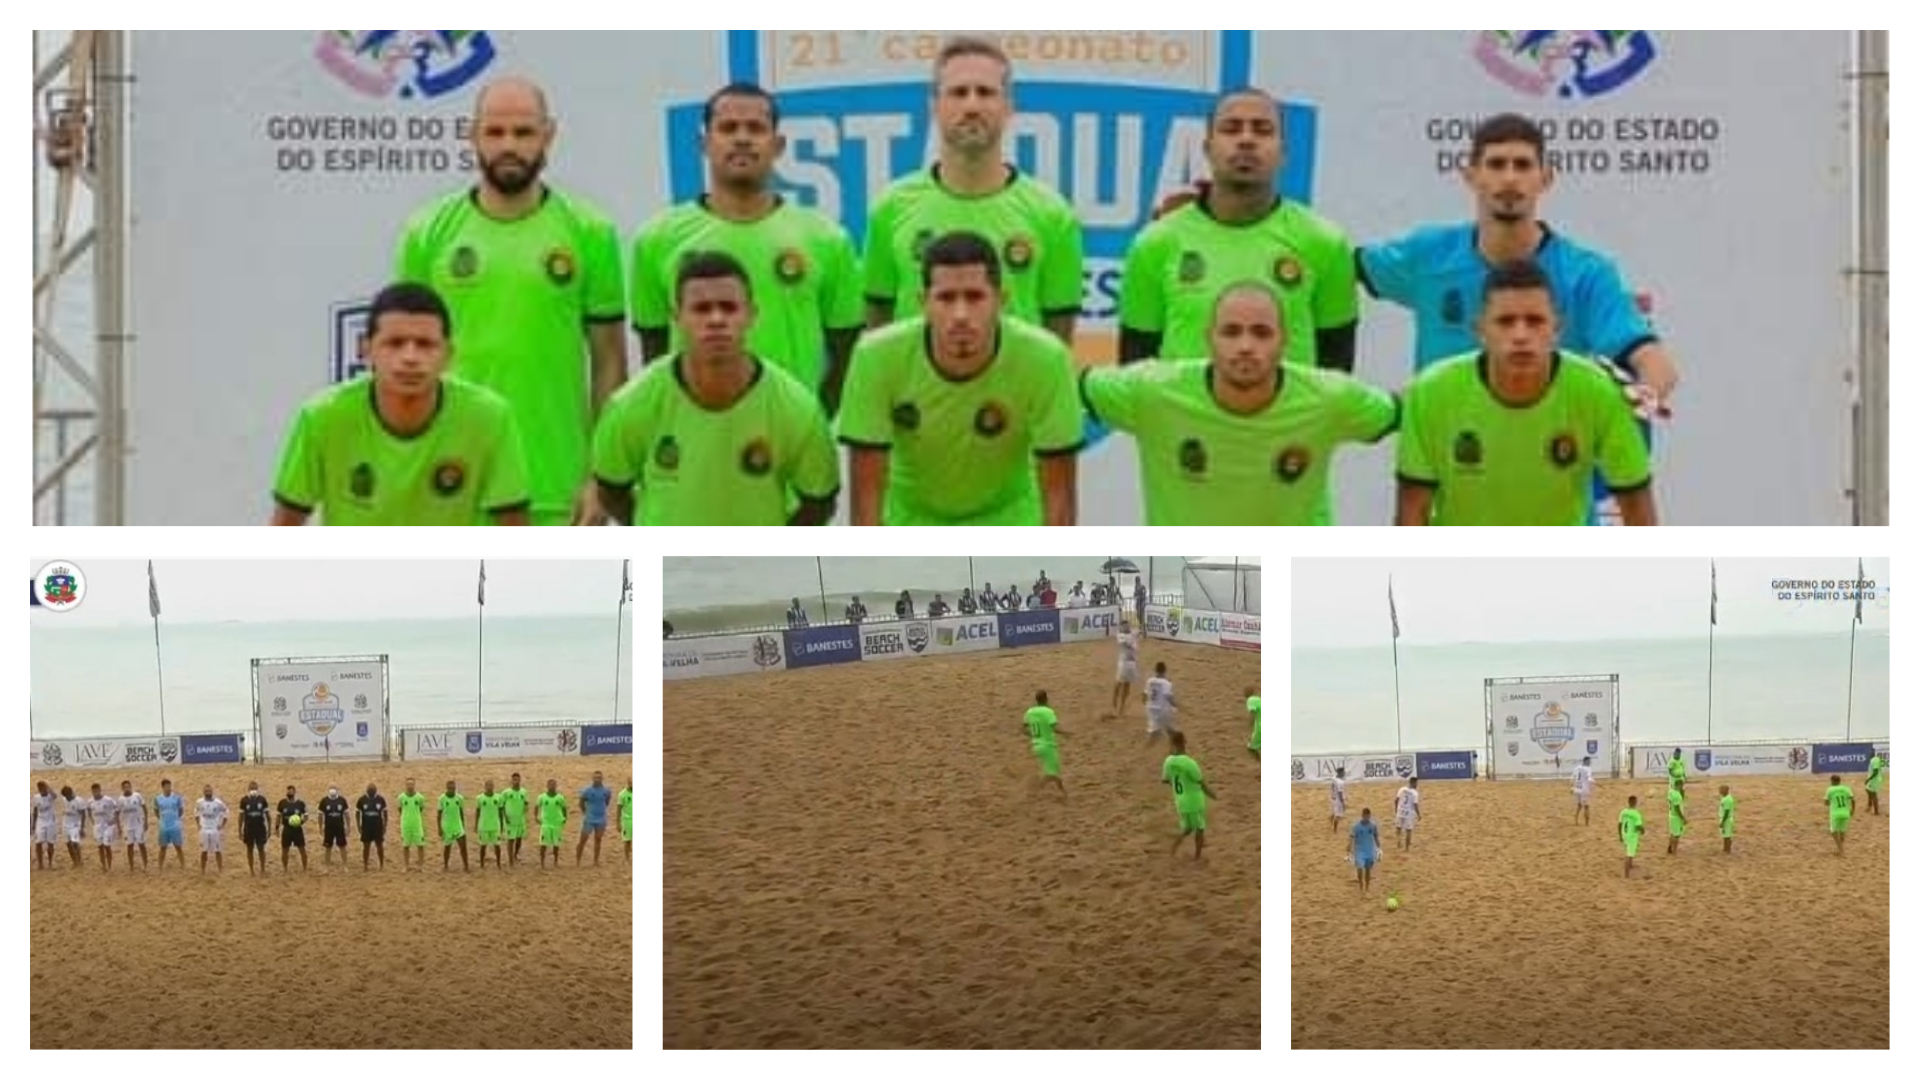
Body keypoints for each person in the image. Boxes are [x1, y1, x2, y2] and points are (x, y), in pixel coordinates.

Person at [1359, 112, 1680, 524]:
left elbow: (1656, 365)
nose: (1509, 179)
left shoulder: (1585, 274)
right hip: (1456, 499)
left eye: (1523, 165)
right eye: (1496, 165)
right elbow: (1336, 264)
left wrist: (1639, 399)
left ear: (1546, 178)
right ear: (1469, 175)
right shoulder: (1428, 255)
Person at [394, 76, 628, 526]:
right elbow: (403, 364)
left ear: (548, 135)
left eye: (523, 133)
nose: (509, 145)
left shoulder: (591, 232)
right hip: (450, 480)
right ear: (472, 135)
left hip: (555, 484)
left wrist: (602, 477)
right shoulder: (426, 233)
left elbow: (610, 364)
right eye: (495, 132)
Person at [631, 82, 862, 413]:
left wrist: (807, 419)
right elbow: (654, 355)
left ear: (778, 145)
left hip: (794, 442)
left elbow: (845, 357)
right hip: (694, 439)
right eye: (728, 128)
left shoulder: (827, 239)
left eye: (755, 128)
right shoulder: (657, 240)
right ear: (704, 143)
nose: (742, 138)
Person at [1083, 282, 1396, 524]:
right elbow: (1067, 386)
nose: (1245, 346)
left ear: (1284, 341)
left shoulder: (1330, 399)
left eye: (1261, 333)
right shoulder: (1152, 391)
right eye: (1231, 332)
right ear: (1209, 338)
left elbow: (1407, 410)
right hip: (1183, 585)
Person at [839, 231, 1082, 526]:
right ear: (923, 302)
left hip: (1010, 520)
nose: (961, 315)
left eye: (975, 297)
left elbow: (1059, 498)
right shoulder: (875, 357)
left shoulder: (1046, 359)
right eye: (946, 298)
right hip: (909, 520)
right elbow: (866, 496)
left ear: (1001, 300)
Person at [1395, 260, 1656, 526]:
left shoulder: (1599, 392)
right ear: (1480, 331)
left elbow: (1638, 511)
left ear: (1557, 329)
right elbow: (1412, 514)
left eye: (1535, 321)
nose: (1520, 335)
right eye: (1505, 322)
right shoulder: (1430, 393)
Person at [593, 251, 839, 526]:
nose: (716, 319)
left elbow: (820, 503)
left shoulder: (797, 409)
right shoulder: (630, 405)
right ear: (676, 317)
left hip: (754, 568)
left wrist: (771, 557)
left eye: (728, 307)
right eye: (702, 309)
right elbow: (610, 488)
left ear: (751, 315)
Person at [863, 36, 1082, 345]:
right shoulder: (890, 207)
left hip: (1013, 393)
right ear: (934, 107)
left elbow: (1058, 340)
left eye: (985, 92)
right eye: (958, 92)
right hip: (916, 392)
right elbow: (877, 330)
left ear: (1008, 106)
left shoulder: (1052, 214)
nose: (972, 105)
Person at [1122, 88, 1357, 371]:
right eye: (1231, 129)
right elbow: (1134, 375)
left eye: (1262, 130)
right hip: (1184, 416)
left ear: (1283, 151)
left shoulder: (1325, 243)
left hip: (1288, 417)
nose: (1246, 140)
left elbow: (1338, 377)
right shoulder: (1155, 244)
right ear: (1208, 148)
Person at [269, 281, 533, 525]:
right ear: (366, 349)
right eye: (395, 343)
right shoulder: (322, 417)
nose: (410, 357)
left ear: (448, 355)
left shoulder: (490, 418)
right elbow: (283, 529)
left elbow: (515, 537)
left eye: (425, 344)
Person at [1161, 730, 1218, 861]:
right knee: (1199, 829)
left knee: (1188, 828)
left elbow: (1165, 780)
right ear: (1184, 743)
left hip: (1180, 800)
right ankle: (1197, 857)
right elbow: (1202, 783)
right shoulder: (1190, 763)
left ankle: (1174, 848)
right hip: (1194, 801)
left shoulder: (1168, 761)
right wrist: (1213, 795)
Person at [1023, 690, 1067, 799]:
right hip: (1048, 746)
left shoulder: (1029, 712)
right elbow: (1054, 728)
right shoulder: (1048, 712)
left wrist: (1033, 735)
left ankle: (1062, 792)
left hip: (1035, 745)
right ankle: (1036, 790)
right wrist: (1066, 734)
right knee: (1052, 774)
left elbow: (1023, 728)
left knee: (1051, 771)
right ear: (1046, 699)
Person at [577, 771, 613, 867]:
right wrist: (585, 812)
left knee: (598, 839)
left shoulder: (606, 791)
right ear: (592, 779)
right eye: (595, 778)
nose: (597, 779)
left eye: (599, 778)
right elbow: (581, 803)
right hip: (590, 817)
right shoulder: (587, 790)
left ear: (602, 779)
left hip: (601, 818)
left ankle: (595, 861)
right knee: (583, 839)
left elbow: (607, 801)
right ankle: (578, 861)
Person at [236, 781, 271, 875]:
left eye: (255, 788)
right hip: (249, 829)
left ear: (257, 788)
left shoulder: (262, 799)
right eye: (251, 788)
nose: (253, 790)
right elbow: (241, 817)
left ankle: (263, 869)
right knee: (249, 849)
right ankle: (251, 870)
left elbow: (268, 815)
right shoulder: (244, 800)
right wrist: (239, 831)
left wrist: (269, 829)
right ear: (248, 789)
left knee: (261, 849)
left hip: (260, 828)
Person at [1142, 660, 1180, 746]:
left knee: (1163, 731)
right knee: (1169, 732)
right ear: (1164, 671)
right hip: (1162, 710)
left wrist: (1147, 705)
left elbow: (1144, 696)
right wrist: (1177, 706)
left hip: (1151, 709)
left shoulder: (1149, 681)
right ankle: (1173, 751)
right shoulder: (1166, 683)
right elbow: (1169, 697)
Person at [1111, 619, 1141, 721]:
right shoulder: (1120, 636)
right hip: (1123, 662)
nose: (1126, 627)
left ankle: (1121, 708)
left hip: (1132, 663)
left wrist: (1136, 633)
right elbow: (1128, 643)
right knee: (1119, 683)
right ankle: (1114, 700)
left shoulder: (1131, 633)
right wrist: (1134, 635)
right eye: (1124, 626)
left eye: (1127, 625)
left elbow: (1137, 632)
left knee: (1127, 686)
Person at [275, 785, 309, 873]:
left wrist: (300, 822)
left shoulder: (300, 804)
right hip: (287, 829)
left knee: (302, 849)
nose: (289, 793)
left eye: (291, 791)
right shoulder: (282, 803)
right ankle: (285, 869)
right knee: (285, 850)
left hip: (297, 830)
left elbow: (306, 816)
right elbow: (278, 816)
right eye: (288, 791)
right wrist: (277, 827)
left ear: (294, 792)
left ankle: (305, 868)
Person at [195, 783, 227, 875]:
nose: (207, 792)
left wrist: (222, 825)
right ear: (203, 792)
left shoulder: (218, 803)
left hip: (215, 829)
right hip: (204, 829)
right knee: (203, 851)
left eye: (209, 791)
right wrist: (198, 824)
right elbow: (196, 813)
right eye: (206, 791)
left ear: (212, 791)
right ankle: (202, 870)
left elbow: (226, 813)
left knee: (218, 851)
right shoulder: (199, 802)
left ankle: (220, 869)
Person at [154, 779, 186, 871]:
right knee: (163, 847)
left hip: (175, 825)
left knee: (178, 846)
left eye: (170, 786)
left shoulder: (176, 797)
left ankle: (182, 865)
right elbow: (156, 810)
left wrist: (176, 818)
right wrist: (161, 818)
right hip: (164, 826)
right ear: (163, 787)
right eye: (167, 786)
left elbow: (181, 810)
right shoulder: (158, 798)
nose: (169, 788)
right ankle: (160, 866)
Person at [398, 779, 429, 872]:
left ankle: (421, 866)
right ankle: (406, 866)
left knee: (420, 845)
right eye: (408, 784)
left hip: (417, 824)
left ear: (414, 785)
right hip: (406, 824)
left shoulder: (420, 797)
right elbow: (400, 809)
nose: (410, 786)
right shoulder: (401, 797)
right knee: (406, 846)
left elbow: (421, 808)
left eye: (411, 784)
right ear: (405, 785)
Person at [537, 779, 569, 868]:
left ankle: (555, 862)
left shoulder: (560, 797)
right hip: (546, 823)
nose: (552, 786)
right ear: (547, 786)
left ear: (556, 786)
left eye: (554, 784)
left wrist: (565, 817)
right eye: (550, 784)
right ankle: (542, 863)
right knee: (543, 844)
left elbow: (564, 808)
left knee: (556, 844)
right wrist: (536, 817)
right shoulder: (542, 797)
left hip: (556, 823)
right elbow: (537, 806)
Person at [473, 780, 504, 870]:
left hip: (495, 825)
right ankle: (482, 864)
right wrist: (476, 825)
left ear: (493, 786)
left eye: (491, 785)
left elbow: (500, 812)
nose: (489, 787)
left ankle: (498, 863)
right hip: (483, 826)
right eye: (488, 785)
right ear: (485, 787)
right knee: (483, 845)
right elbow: (477, 812)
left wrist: (501, 825)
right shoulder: (480, 798)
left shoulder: (498, 797)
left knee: (497, 845)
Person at [356, 783, 388, 871]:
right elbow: (357, 813)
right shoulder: (362, 800)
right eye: (370, 790)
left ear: (376, 790)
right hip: (366, 827)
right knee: (366, 846)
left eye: (373, 790)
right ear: (366, 790)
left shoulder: (380, 799)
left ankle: (381, 864)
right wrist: (358, 825)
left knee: (379, 845)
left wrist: (385, 825)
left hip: (378, 826)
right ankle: (365, 865)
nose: (371, 791)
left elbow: (385, 813)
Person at [117, 779, 148, 872]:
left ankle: (145, 865)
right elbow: (117, 813)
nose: (127, 789)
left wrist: (146, 821)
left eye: (128, 786)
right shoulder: (120, 799)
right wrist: (119, 826)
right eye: (125, 787)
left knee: (141, 844)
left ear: (130, 787)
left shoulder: (137, 796)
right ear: (122, 788)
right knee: (129, 846)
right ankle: (131, 866)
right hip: (127, 826)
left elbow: (145, 808)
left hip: (138, 824)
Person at [1348, 808, 1380, 893]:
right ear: (1362, 815)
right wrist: (1349, 846)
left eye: (1368, 816)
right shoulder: (1356, 826)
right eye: (1365, 816)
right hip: (1359, 851)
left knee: (1368, 870)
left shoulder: (1373, 825)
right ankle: (1361, 884)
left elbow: (1376, 836)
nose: (1366, 818)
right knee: (1360, 869)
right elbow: (1352, 837)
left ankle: (1367, 886)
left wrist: (1378, 848)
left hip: (1369, 851)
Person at [440, 780, 470, 872]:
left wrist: (463, 825)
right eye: (450, 788)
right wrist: (439, 828)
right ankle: (445, 865)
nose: (452, 790)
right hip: (447, 826)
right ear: (447, 788)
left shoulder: (459, 798)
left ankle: (466, 866)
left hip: (458, 826)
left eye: (453, 788)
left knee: (463, 847)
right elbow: (439, 814)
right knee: (447, 848)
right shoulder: (442, 799)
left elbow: (461, 812)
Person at [502, 772, 530, 868]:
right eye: (514, 779)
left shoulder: (524, 792)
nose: (516, 781)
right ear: (511, 781)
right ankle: (510, 860)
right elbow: (502, 805)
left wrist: (525, 810)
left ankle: (515, 855)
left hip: (520, 820)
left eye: (517, 779)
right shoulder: (506, 793)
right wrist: (505, 817)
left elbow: (526, 803)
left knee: (519, 839)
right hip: (510, 820)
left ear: (520, 780)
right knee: (510, 840)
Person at [318, 786, 350, 867]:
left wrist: (348, 826)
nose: (333, 790)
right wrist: (320, 827)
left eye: (334, 788)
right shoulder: (324, 801)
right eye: (331, 788)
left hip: (340, 828)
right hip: (329, 828)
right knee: (328, 848)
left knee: (342, 847)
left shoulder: (342, 800)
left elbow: (346, 815)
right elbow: (320, 816)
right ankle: (327, 867)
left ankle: (345, 865)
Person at [89, 782, 117, 872]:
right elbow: (88, 811)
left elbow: (117, 809)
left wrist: (114, 819)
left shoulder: (108, 800)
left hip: (107, 826)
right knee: (100, 846)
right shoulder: (90, 801)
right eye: (94, 791)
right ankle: (103, 865)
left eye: (97, 790)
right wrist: (92, 821)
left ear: (100, 790)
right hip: (97, 826)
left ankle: (110, 865)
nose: (95, 793)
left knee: (107, 845)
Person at [32, 781, 58, 870]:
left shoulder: (50, 796)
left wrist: (48, 786)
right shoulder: (36, 797)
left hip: (51, 822)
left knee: (50, 843)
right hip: (40, 821)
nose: (41, 790)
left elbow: (55, 795)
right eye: (39, 788)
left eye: (43, 788)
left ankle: (50, 862)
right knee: (38, 843)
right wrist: (33, 824)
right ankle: (40, 863)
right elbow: (35, 810)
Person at [1825, 774, 1854, 856]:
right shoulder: (1846, 788)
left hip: (1835, 813)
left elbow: (1826, 803)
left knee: (1833, 831)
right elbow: (1853, 799)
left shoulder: (1830, 789)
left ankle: (1841, 849)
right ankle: (1839, 849)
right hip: (1846, 812)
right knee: (1842, 831)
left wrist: (1831, 801)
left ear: (1832, 781)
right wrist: (1852, 810)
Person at [1619, 794, 1644, 878]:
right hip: (1632, 836)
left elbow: (1619, 824)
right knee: (1629, 854)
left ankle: (1630, 865)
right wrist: (1643, 830)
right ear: (1635, 803)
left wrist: (1620, 835)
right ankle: (1626, 874)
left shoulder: (1623, 812)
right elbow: (1638, 826)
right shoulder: (1636, 814)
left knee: (1629, 851)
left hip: (1624, 834)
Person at [59, 784, 85, 868]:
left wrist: (82, 827)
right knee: (68, 844)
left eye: (68, 796)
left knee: (75, 843)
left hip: (75, 824)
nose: (67, 798)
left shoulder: (79, 801)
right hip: (66, 824)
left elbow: (83, 814)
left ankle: (79, 860)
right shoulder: (64, 800)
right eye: (65, 796)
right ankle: (74, 861)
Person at [1394, 777, 1421, 850]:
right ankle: (1406, 848)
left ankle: (1398, 841)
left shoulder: (1402, 789)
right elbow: (1415, 805)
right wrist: (1418, 814)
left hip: (1400, 811)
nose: (1417, 785)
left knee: (1398, 828)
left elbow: (1396, 800)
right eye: (1416, 783)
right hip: (1408, 813)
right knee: (1408, 830)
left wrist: (1396, 809)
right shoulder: (1415, 793)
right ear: (1413, 783)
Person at [1572, 755, 1595, 825]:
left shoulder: (1577, 768)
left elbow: (1573, 777)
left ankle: (1576, 820)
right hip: (1584, 790)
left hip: (1577, 788)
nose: (1590, 763)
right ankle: (1587, 822)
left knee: (1579, 805)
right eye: (1589, 761)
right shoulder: (1588, 769)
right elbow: (1589, 779)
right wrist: (1594, 781)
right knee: (1586, 806)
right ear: (1585, 761)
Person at [1666, 780, 1687, 855]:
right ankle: (1674, 850)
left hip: (1671, 815)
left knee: (1672, 833)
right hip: (1676, 817)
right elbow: (1677, 808)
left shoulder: (1671, 792)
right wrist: (1683, 818)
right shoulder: (1677, 795)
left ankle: (1670, 847)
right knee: (1677, 835)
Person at [1718, 784, 1737, 855]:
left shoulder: (1727, 800)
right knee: (1725, 834)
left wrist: (1723, 821)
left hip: (1727, 819)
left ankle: (1727, 849)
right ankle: (1725, 848)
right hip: (1726, 818)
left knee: (1727, 835)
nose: (1719, 791)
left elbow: (1726, 812)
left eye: (1721, 790)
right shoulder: (1725, 798)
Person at [618, 778, 634, 863]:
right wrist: (618, 822)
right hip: (627, 820)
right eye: (631, 783)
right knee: (627, 840)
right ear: (628, 783)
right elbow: (619, 809)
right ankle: (627, 858)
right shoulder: (622, 794)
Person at [1329, 767, 1348, 833]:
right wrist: (1343, 802)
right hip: (1338, 800)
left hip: (1333, 797)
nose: (1344, 773)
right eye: (1343, 772)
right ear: (1340, 773)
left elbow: (1332, 786)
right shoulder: (1340, 782)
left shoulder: (1334, 778)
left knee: (1334, 812)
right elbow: (1340, 793)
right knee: (1338, 816)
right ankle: (1335, 829)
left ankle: (1331, 821)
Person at [1246, 686, 1261, 761]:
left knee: (1251, 747)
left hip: (1261, 726)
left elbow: (1252, 712)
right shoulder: (1258, 699)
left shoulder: (1250, 700)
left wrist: (1250, 723)